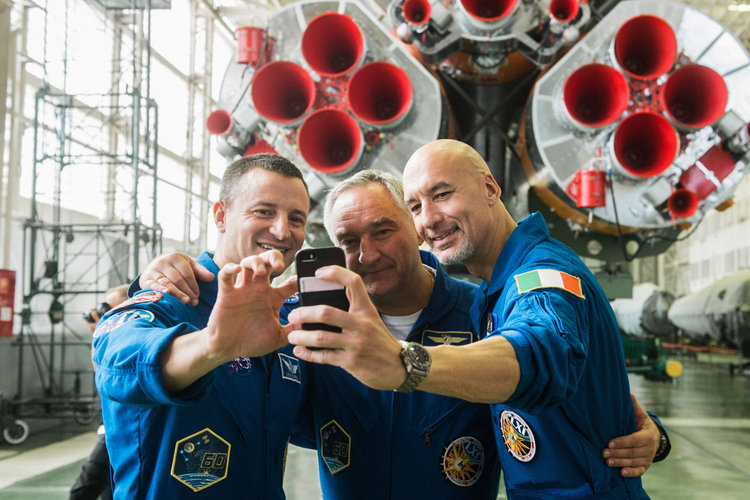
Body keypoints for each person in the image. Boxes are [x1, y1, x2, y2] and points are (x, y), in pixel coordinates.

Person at [144, 169, 665, 497]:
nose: (366, 254)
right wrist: (172, 270)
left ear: (415, 228)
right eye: (348, 240)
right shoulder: (306, 320)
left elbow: (546, 368)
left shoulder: (479, 310)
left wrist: (645, 429)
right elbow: (248, 384)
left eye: (384, 230)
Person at [287, 140, 663, 498]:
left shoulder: (535, 278)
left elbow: (541, 353)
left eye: (443, 194)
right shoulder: (489, 299)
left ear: (489, 188)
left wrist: (405, 363)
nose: (430, 219)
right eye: (416, 206)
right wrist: (649, 433)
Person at [92, 154, 310, 499]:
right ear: (221, 216)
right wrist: (213, 346)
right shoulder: (170, 296)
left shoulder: (289, 320)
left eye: (296, 218)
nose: (283, 231)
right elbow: (116, 361)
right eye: (264, 211)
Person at [70, 284, 129, 500]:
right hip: (109, 422)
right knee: (108, 490)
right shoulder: (108, 335)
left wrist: (99, 332)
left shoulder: (132, 334)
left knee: (84, 488)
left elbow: (104, 369)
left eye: (109, 307)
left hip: (119, 426)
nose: (105, 313)